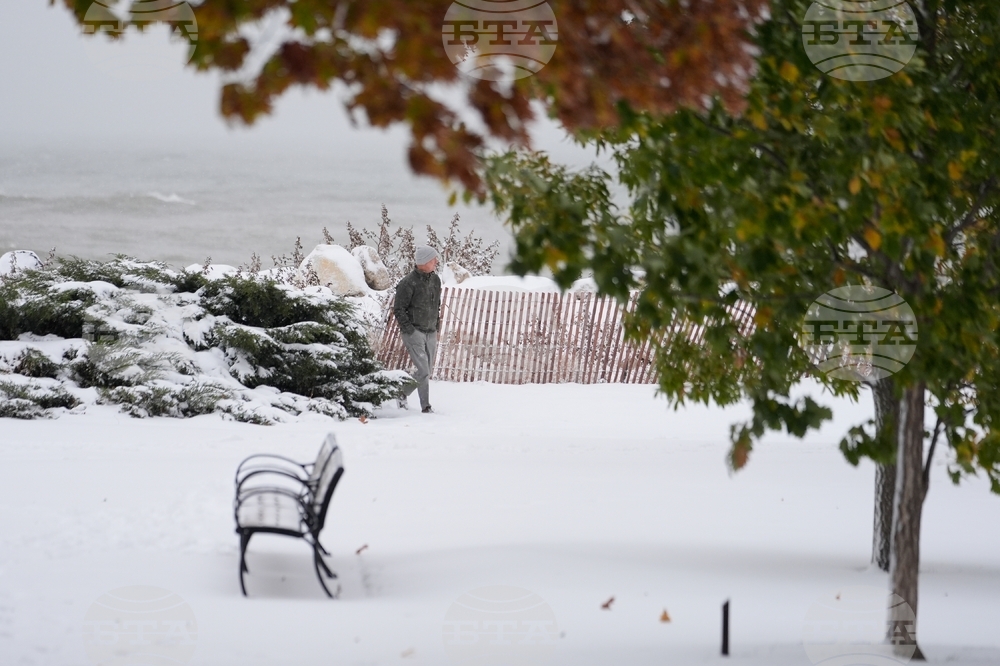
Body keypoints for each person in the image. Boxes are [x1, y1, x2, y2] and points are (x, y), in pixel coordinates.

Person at [393, 245, 442, 413]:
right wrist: (410, 330)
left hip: (431, 332)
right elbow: (398, 309)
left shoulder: (436, 280)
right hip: (415, 332)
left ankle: (415, 400)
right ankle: (413, 399)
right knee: (423, 370)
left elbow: (437, 305)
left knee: (425, 372)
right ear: (426, 261)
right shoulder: (408, 283)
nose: (436, 261)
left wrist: (436, 326)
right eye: (434, 259)